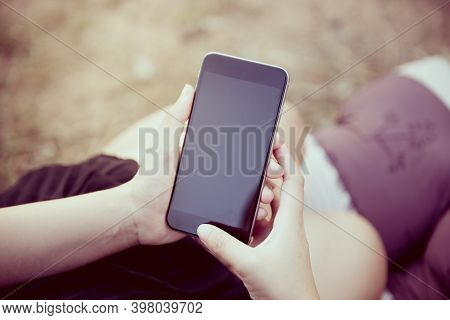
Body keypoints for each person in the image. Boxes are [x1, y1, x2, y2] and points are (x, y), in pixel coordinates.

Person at [0, 84, 385, 300]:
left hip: (69, 217)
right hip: (161, 293)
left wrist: (132, 210)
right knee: (360, 243)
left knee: (280, 117)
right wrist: (290, 299)